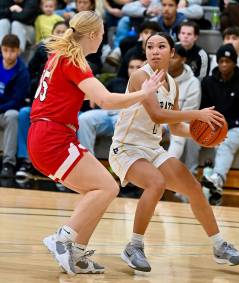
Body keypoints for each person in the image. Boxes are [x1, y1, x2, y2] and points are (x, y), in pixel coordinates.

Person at [27, 11, 163, 275]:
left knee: (102, 189)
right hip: (52, 137)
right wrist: (143, 93)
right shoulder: (74, 61)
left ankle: (76, 254)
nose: (103, 38)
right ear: (92, 35)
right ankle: (63, 238)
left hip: (48, 135)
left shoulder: (61, 56)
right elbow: (106, 101)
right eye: (102, 33)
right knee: (106, 188)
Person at [109, 32, 239, 272]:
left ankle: (219, 245)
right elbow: (157, 115)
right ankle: (134, 246)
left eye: (161, 46)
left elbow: (174, 127)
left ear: (172, 53)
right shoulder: (140, 76)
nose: (154, 51)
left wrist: (203, 137)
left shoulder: (172, 84)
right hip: (126, 147)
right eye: (150, 47)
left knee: (194, 188)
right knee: (156, 183)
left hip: (151, 148)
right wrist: (196, 114)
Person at [200, 43, 239, 205]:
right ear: (217, 62)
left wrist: (225, 127)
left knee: (224, 143)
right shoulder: (208, 83)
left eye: (228, 61)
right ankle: (209, 188)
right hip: (212, 128)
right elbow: (203, 108)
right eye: (221, 61)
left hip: (238, 129)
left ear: (234, 63)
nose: (224, 64)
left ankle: (217, 179)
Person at [16, 21, 69, 180]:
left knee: (77, 118)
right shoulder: (41, 52)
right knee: (24, 112)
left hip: (62, 108)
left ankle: (66, 165)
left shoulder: (72, 56)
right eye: (58, 31)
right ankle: (26, 160)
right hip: (41, 103)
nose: (60, 35)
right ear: (52, 34)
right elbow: (29, 77)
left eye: (63, 32)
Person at [78, 55, 145, 155]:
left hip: (127, 115)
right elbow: (98, 100)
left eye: (138, 67)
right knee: (84, 118)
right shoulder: (117, 81)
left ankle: (123, 161)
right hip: (107, 112)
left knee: (126, 121)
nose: (134, 70)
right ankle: (87, 158)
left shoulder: (148, 84)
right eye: (131, 67)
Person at [0, 34, 30, 177]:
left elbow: (16, 101)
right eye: (5, 50)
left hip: (7, 111)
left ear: (18, 51)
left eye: (12, 51)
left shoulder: (22, 72)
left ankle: (8, 163)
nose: (8, 54)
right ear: (1, 49)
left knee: (13, 116)